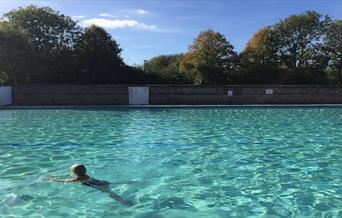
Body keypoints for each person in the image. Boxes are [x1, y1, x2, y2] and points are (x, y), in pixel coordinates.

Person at [47, 164, 133, 206]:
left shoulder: (78, 179)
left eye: (71, 172)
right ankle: (131, 181)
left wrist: (52, 179)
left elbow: (64, 180)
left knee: (112, 195)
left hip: (100, 186)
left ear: (74, 174)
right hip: (102, 182)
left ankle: (125, 203)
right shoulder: (85, 175)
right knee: (115, 183)